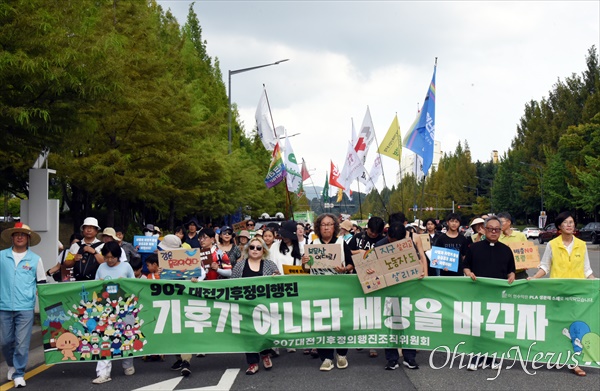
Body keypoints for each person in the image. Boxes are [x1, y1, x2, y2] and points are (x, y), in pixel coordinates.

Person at [529, 211, 595, 376]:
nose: (569, 225)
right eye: (566, 222)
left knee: (576, 328)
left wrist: (595, 283)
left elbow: (586, 269)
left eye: (572, 222)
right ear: (559, 226)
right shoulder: (552, 244)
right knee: (558, 325)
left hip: (577, 293)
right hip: (558, 293)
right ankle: (557, 355)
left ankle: (575, 362)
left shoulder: (581, 244)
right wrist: (534, 278)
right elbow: (545, 266)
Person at [301, 213, 354, 371]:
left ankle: (342, 354)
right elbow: (306, 269)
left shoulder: (341, 243)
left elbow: (351, 265)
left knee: (341, 322)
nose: (326, 227)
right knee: (321, 322)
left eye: (329, 224)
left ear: (335, 227)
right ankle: (326, 357)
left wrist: (344, 269)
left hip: (339, 289)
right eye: (323, 224)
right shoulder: (313, 243)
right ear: (318, 227)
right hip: (319, 290)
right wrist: (304, 263)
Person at [463, 216, 515, 371]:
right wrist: (468, 273)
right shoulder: (474, 248)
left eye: (497, 229)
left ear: (500, 231)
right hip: (478, 294)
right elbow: (465, 266)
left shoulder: (506, 250)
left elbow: (511, 270)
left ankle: (493, 357)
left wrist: (511, 275)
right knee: (477, 326)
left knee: (495, 327)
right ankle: (475, 357)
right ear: (484, 230)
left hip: (498, 295)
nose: (493, 231)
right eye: (490, 229)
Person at [0, 222, 46, 388]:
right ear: (12, 237)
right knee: (5, 341)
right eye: (16, 234)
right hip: (3, 306)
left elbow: (41, 283)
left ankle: (19, 373)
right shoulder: (1, 256)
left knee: (21, 343)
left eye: (23, 234)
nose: (19, 237)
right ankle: (12, 364)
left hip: (25, 307)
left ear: (28, 238)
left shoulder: (35, 259)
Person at [231, 237, 280, 374]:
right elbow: (231, 284)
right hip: (245, 306)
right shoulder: (240, 265)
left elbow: (279, 284)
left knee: (263, 331)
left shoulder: (270, 265)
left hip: (264, 306)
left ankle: (265, 354)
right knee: (248, 334)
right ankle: (252, 362)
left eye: (258, 248)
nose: (255, 250)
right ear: (247, 249)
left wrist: (277, 277)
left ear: (263, 250)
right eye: (252, 247)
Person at [92, 241, 135, 384]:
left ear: (118, 256)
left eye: (112, 257)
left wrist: (126, 283)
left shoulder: (126, 267)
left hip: (124, 309)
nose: (109, 260)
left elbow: (135, 286)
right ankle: (103, 373)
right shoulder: (101, 267)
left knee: (126, 336)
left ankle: (128, 364)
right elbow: (95, 287)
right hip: (106, 310)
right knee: (104, 339)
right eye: (107, 257)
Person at [349, 216, 385, 358]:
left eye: (376, 233)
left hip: (377, 278)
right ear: (367, 228)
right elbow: (348, 252)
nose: (373, 235)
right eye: (371, 232)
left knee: (374, 310)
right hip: (359, 277)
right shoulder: (358, 237)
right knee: (359, 309)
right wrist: (362, 252)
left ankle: (373, 344)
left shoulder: (383, 240)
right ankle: (360, 338)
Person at [497, 212, 529, 279]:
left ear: (508, 222)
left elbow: (527, 251)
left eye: (501, 222)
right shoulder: (497, 237)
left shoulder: (520, 235)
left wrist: (527, 263)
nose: (499, 225)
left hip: (520, 273)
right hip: (503, 274)